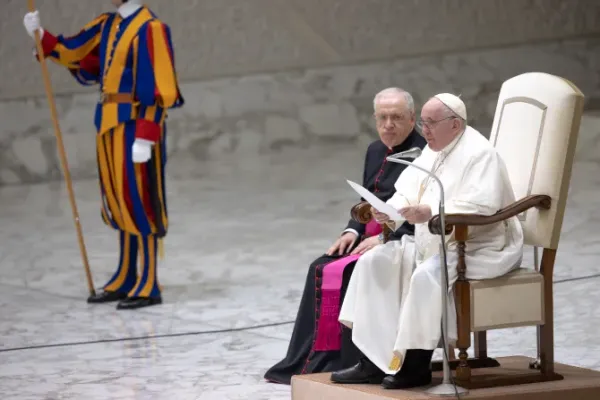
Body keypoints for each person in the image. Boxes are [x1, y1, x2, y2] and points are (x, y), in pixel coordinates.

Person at [330, 93, 524, 389]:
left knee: (426, 276)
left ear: (455, 124)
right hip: (431, 240)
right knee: (374, 261)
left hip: (476, 245)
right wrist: (390, 211)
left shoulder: (481, 154)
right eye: (423, 122)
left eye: (431, 123)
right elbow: (407, 190)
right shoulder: (434, 150)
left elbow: (481, 207)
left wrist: (429, 211)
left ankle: (415, 364)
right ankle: (373, 362)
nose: (425, 130)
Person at [23, 0, 184, 309]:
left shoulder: (151, 29)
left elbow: (159, 87)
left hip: (135, 125)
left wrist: (146, 135)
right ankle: (126, 274)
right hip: (108, 123)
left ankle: (148, 281)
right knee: (118, 201)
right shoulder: (107, 24)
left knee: (140, 200)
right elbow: (76, 53)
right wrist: (41, 35)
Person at [264, 88, 427, 385]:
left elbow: (424, 209)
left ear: (412, 118)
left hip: (403, 239)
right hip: (369, 236)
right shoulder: (375, 150)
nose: (388, 125)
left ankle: (362, 360)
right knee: (320, 267)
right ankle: (317, 359)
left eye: (396, 117)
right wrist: (352, 230)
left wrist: (385, 238)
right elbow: (368, 199)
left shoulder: (423, 153)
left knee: (352, 272)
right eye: (382, 118)